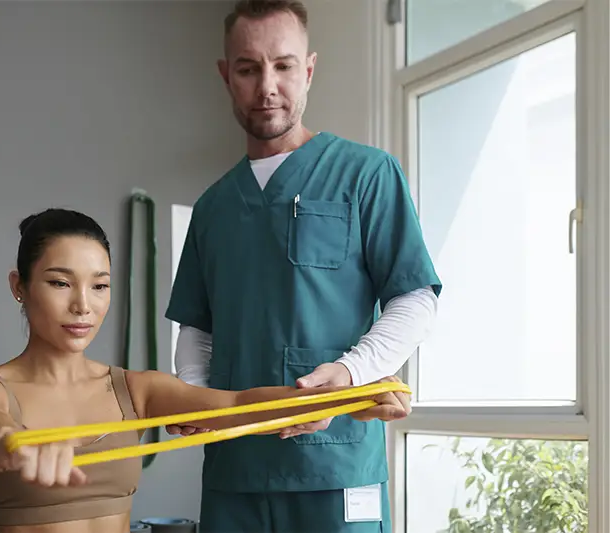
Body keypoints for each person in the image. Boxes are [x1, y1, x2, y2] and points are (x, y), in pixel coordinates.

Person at [0, 208, 413, 533]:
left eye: (101, 285)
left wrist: (352, 399)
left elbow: (237, 405)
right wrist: (13, 445)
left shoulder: (137, 389)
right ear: (19, 286)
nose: (83, 305)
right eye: (59, 282)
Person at [164, 1, 443, 532]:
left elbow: (415, 298)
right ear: (227, 76)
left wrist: (348, 374)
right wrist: (198, 401)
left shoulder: (367, 174)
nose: (266, 86)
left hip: (335, 467)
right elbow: (197, 327)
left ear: (308, 70)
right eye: (247, 68)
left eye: (284, 65)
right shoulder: (213, 208)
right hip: (234, 468)